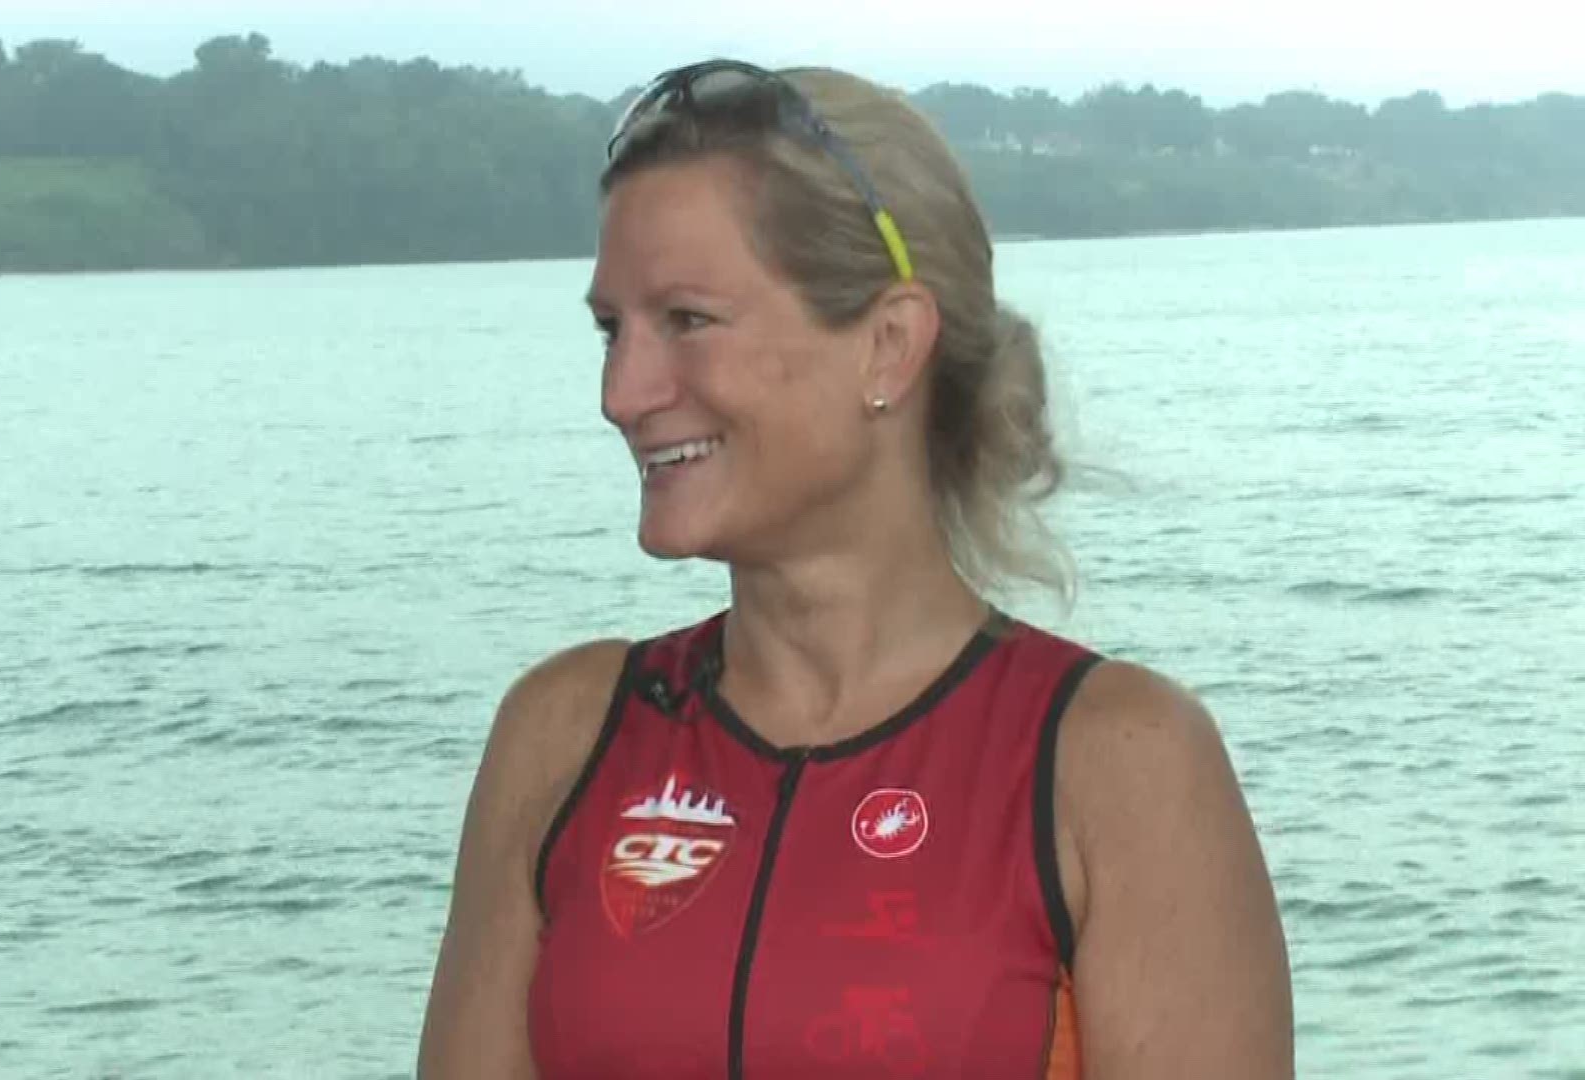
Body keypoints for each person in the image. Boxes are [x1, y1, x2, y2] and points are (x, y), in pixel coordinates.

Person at [418, 59, 1293, 1079]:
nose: (623, 390)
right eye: (614, 329)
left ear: (887, 345)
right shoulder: (565, 739)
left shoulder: (1116, 764)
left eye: (687, 320)